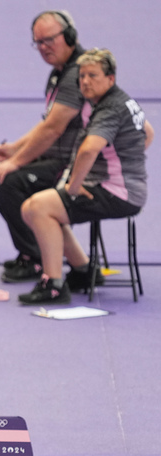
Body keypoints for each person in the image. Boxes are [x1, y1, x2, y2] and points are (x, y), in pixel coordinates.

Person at [18, 48, 154, 305]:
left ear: (110, 79)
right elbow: (148, 132)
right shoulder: (122, 101)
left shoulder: (110, 109)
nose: (85, 82)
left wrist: (73, 186)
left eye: (93, 75)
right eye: (81, 76)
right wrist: (124, 160)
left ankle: (54, 285)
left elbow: (89, 148)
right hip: (124, 187)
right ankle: (82, 270)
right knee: (32, 209)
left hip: (117, 193)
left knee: (37, 207)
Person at [0, 11, 87, 284]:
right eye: (38, 42)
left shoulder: (78, 74)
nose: (43, 48)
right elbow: (47, 124)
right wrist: (15, 149)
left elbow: (54, 129)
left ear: (69, 37)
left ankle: (33, 256)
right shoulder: (59, 73)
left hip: (74, 165)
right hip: (57, 157)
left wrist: (16, 162)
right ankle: (31, 252)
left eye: (49, 40)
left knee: (8, 180)